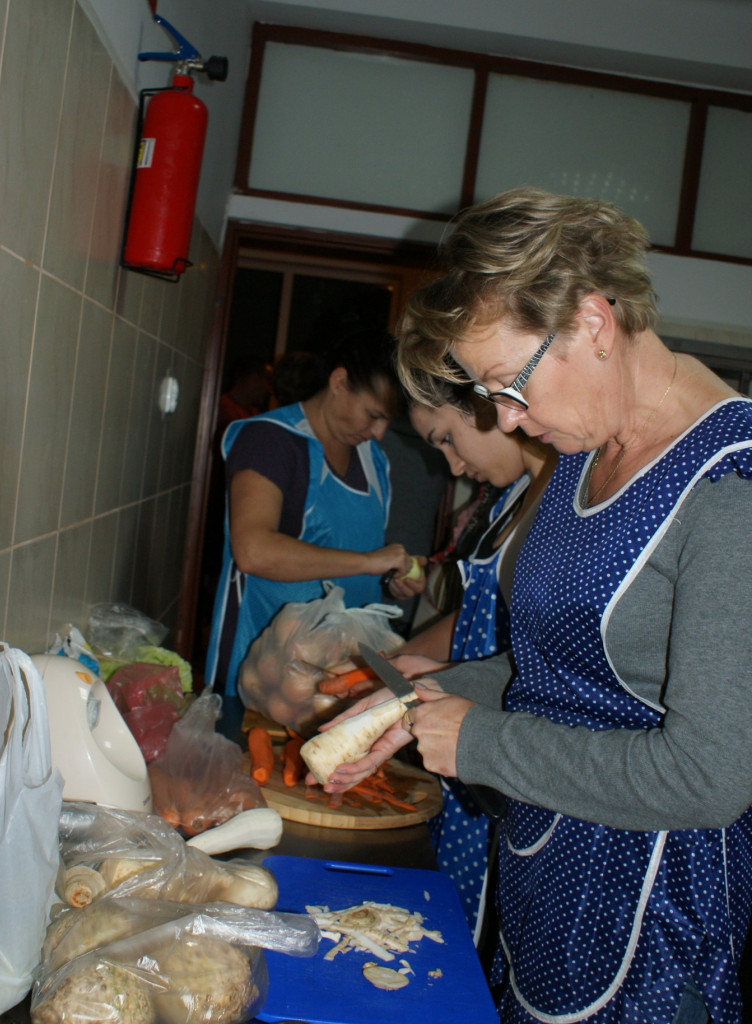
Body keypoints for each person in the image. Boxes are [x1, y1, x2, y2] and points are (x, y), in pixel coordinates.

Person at [314, 188, 752, 1024]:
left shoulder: (729, 486)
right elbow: (558, 667)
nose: (506, 419)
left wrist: (479, 740)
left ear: (592, 323)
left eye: (507, 385)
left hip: (652, 929)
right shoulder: (584, 453)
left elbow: (709, 777)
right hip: (545, 889)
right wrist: (419, 701)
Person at [396, 377, 555, 939]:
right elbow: (474, 620)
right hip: (463, 745)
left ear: (487, 405)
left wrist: (447, 677)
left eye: (446, 438)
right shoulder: (513, 497)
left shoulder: (562, 501)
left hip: (504, 756)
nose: (454, 466)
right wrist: (409, 662)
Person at [205, 327, 426, 699]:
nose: (379, 432)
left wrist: (390, 576)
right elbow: (253, 551)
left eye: (388, 420)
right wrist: (367, 562)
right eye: (373, 415)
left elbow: (349, 556)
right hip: (262, 669)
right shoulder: (270, 441)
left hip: (339, 670)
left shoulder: (374, 461)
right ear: (339, 382)